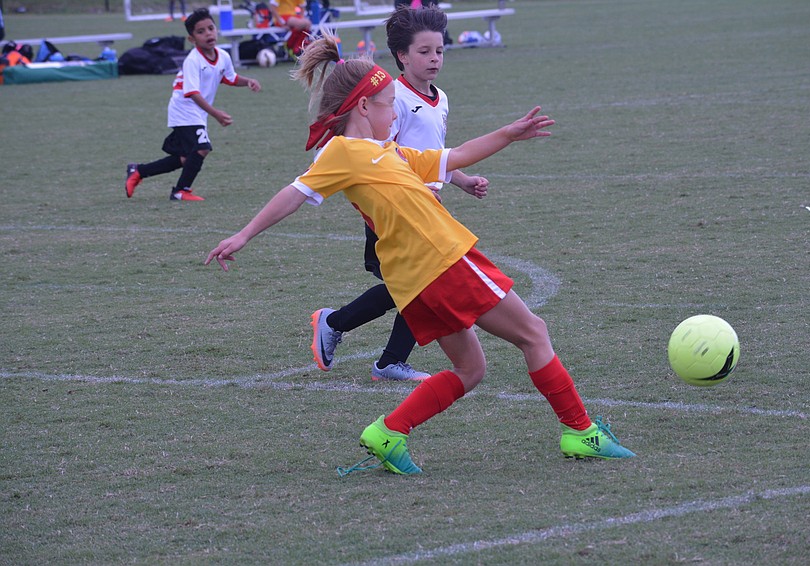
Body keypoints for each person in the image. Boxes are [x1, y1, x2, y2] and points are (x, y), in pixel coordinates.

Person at [205, 35, 637, 474]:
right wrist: (244, 234)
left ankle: (389, 432)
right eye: (389, 103)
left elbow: (456, 156)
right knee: (534, 334)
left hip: (413, 280)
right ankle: (581, 431)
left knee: (471, 370)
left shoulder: (388, 151)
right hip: (443, 261)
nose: (395, 112)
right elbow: (294, 193)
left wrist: (510, 133)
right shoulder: (343, 152)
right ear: (363, 108)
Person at [311, 5, 487, 382]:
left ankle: (386, 359)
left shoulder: (441, 98)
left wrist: (461, 179)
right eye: (423, 52)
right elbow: (381, 159)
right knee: (418, 286)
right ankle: (339, 324)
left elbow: (430, 155)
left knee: (418, 286)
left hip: (424, 210)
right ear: (401, 56)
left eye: (439, 51)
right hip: (395, 214)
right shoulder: (393, 100)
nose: (434, 59)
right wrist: (419, 192)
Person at [125, 9, 261, 202]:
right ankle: (181, 191)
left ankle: (138, 171)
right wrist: (216, 114)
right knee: (202, 148)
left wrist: (248, 81)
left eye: (211, 28)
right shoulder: (193, 60)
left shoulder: (222, 55)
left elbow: (230, 78)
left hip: (197, 112)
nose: (208, 34)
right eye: (201, 31)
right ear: (192, 39)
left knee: (185, 158)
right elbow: (192, 93)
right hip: (184, 109)